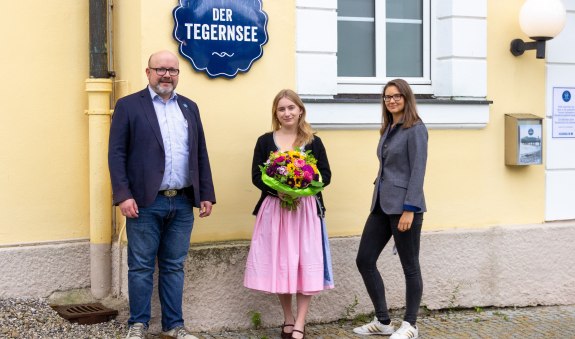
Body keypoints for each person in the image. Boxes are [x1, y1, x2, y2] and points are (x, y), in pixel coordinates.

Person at [108, 50, 216, 339]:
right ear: (148, 72)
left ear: (178, 74)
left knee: (174, 266)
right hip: (144, 202)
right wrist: (123, 195)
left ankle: (174, 326)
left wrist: (206, 193)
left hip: (182, 201)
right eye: (160, 69)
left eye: (172, 70)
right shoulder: (129, 106)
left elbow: (200, 153)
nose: (166, 74)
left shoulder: (189, 108)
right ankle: (138, 325)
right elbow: (116, 154)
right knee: (141, 266)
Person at [244, 89, 334, 339]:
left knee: (305, 265)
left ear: (300, 110)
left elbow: (325, 175)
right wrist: (278, 192)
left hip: (306, 212)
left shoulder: (314, 141)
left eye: (291, 108)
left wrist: (304, 187)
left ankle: (300, 323)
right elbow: (255, 176)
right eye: (281, 109)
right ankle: (287, 318)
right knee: (281, 264)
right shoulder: (265, 141)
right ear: (276, 112)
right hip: (275, 211)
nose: (287, 113)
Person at [353, 79, 428, 339]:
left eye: (397, 96)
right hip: (380, 205)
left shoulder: (415, 129)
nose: (392, 100)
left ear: (406, 98)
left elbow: (418, 171)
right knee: (364, 259)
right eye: (387, 97)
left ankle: (410, 325)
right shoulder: (389, 128)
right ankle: (383, 321)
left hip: (405, 207)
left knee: (410, 266)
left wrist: (410, 208)